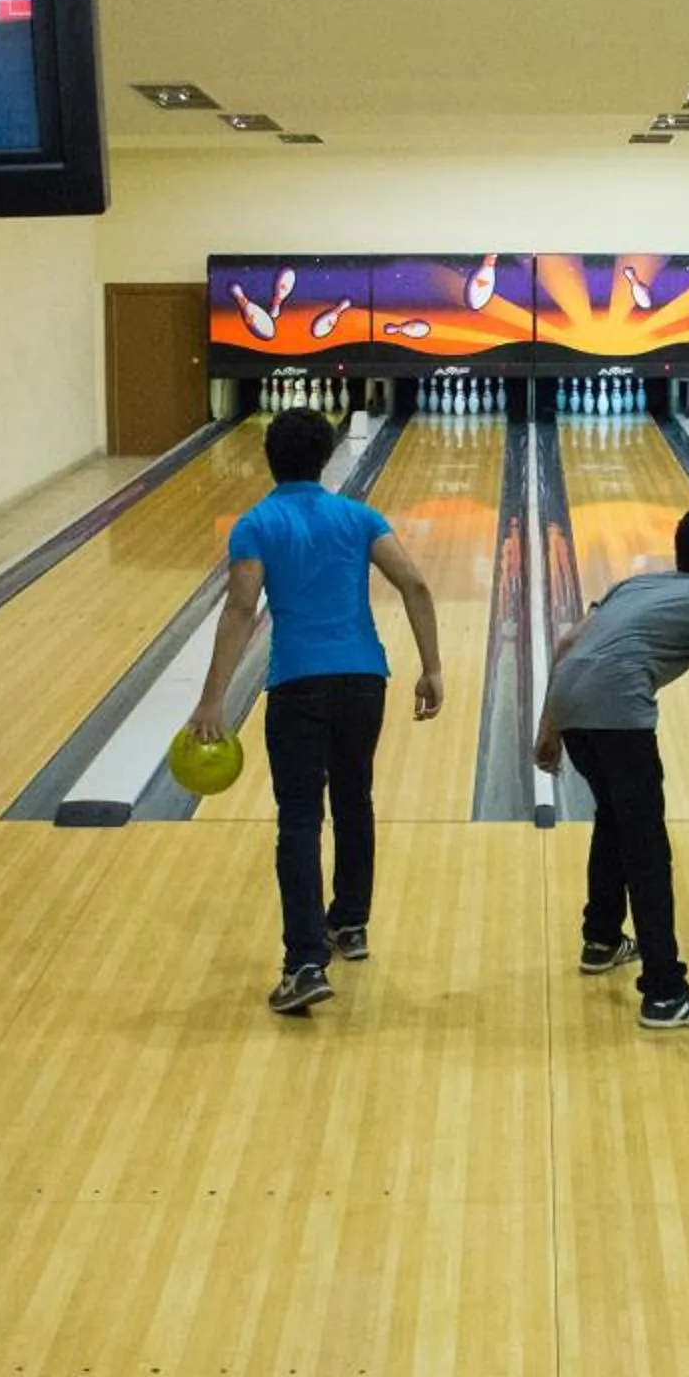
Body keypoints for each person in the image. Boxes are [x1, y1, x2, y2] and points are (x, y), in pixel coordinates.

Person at [194, 408, 442, 1016]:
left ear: (269, 460)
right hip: (363, 680)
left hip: (298, 685)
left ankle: (304, 963)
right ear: (326, 458)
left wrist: (212, 699)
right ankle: (350, 924)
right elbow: (414, 583)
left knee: (300, 819)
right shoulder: (358, 517)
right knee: (355, 800)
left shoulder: (256, 524)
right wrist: (432, 666)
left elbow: (241, 608)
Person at [533, 504, 689, 1031]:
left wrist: (549, 725)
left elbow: (567, 643)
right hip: (619, 712)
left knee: (614, 820)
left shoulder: (633, 585)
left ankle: (601, 939)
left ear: (677, 550)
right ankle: (664, 992)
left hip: (571, 703)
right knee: (647, 851)